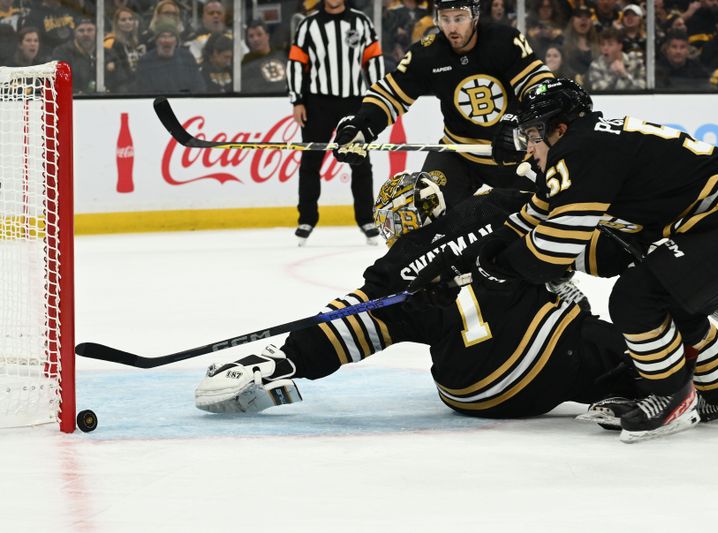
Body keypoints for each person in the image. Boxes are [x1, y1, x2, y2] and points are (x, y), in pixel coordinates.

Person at [447, 78, 718, 442]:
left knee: (637, 298)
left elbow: (556, 246)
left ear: (558, 128)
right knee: (678, 310)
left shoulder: (579, 149)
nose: (529, 150)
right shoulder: (584, 142)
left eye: (533, 136)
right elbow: (535, 217)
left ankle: (670, 396)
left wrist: (501, 268)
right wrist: (486, 250)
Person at [194, 171, 638, 422]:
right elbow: (580, 233)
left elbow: (352, 325)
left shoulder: (393, 270)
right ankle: (671, 382)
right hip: (548, 356)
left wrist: (278, 361)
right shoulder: (495, 207)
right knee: (634, 350)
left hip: (468, 394)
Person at [332, 0, 555, 209]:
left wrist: (522, 128)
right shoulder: (428, 53)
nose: (451, 27)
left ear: (475, 16)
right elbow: (391, 93)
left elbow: (539, 86)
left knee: (552, 212)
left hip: (518, 154)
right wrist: (362, 126)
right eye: (445, 18)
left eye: (459, 18)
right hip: (460, 153)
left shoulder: (504, 40)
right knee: (424, 208)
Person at [287, 0, 385, 246]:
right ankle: (306, 219)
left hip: (354, 101)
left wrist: (377, 98)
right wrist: (297, 100)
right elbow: (296, 63)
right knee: (311, 160)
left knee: (360, 161)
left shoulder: (361, 22)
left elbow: (373, 60)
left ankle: (366, 219)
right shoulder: (308, 25)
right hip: (317, 102)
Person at [135, 18, 205, 93]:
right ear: (156, 40)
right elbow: (141, 91)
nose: (167, 40)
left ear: (176, 41)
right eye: (163, 36)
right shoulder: (145, 61)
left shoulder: (187, 57)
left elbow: (199, 87)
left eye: (171, 36)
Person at [104, 6, 147, 93]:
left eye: (130, 19)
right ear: (116, 23)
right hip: (120, 89)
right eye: (123, 20)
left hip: (138, 86)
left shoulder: (136, 42)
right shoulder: (110, 42)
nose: (128, 22)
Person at [52, 17, 97, 94]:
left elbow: (120, 81)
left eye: (90, 30)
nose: (86, 34)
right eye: (81, 30)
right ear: (74, 33)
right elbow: (59, 82)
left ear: (96, 32)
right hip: (74, 99)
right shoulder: (62, 53)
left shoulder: (106, 53)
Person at [241, 20, 288, 95]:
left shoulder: (283, 55)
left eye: (259, 34)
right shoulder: (245, 63)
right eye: (251, 36)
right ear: (248, 40)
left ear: (267, 36)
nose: (255, 39)